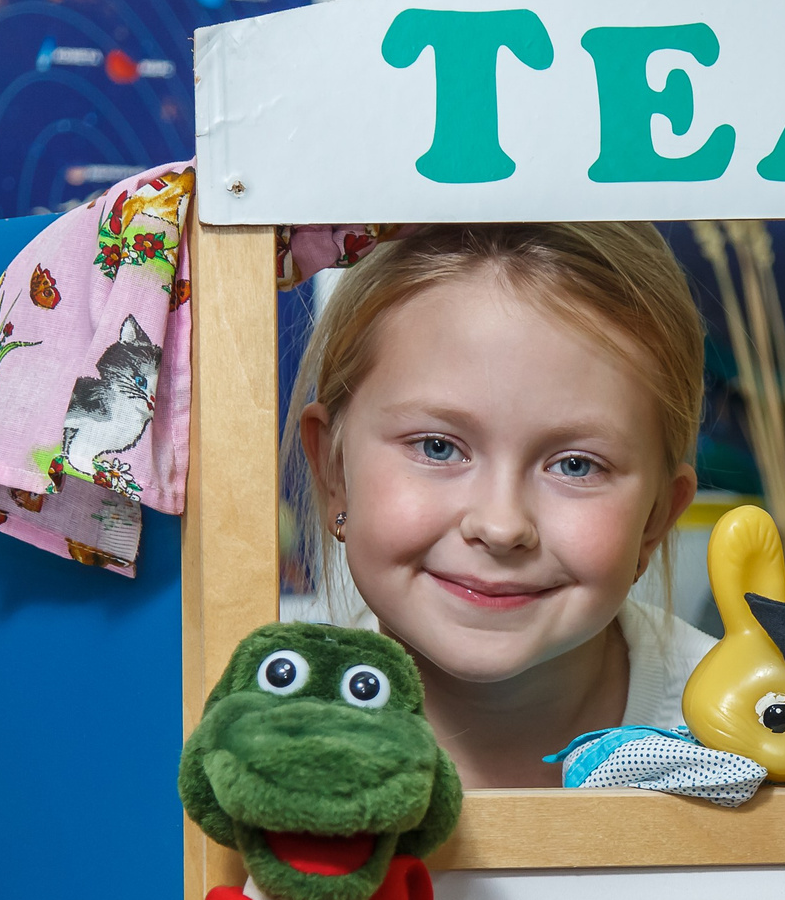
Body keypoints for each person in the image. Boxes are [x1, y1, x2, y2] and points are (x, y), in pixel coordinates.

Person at [286, 224, 708, 787]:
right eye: (438, 447)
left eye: (575, 465)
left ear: (656, 518)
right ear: (335, 473)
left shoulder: (765, 734)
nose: (501, 525)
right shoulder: (267, 734)